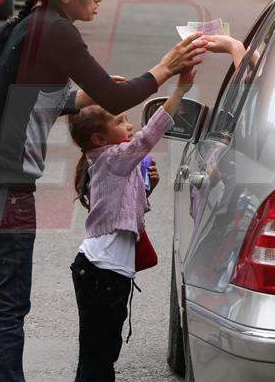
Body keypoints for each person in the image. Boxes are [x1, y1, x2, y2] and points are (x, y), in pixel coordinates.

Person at [0, 0, 207, 382]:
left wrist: (96, 92)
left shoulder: (34, 25)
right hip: (3, 187)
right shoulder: (56, 32)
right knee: (11, 301)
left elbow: (49, 103)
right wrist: (166, 68)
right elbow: (115, 99)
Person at [66, 66, 195, 381]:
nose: (130, 126)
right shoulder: (114, 157)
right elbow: (149, 136)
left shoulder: (110, 160)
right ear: (99, 137)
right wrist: (180, 89)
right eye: (120, 121)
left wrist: (144, 187)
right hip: (101, 272)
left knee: (101, 352)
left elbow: (124, 206)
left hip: (104, 271)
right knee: (99, 355)